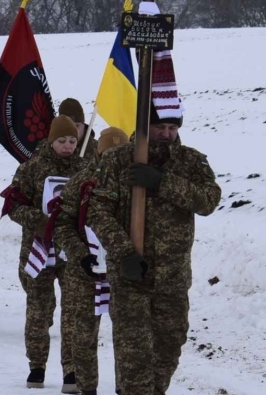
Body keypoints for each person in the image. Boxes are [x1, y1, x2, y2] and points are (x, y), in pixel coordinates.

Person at [88, 111, 220, 395]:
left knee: (168, 349)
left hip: (172, 280)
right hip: (130, 277)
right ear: (145, 126)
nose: (166, 133)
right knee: (134, 357)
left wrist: (162, 181)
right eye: (159, 126)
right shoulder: (117, 160)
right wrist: (124, 253)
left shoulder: (192, 162)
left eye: (172, 127)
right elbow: (98, 211)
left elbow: (208, 201)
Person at [2, 115, 91, 390]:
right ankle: (37, 366)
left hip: (73, 251)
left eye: (72, 141)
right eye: (62, 141)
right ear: (51, 141)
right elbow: (13, 207)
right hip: (39, 249)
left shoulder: (87, 169)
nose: (68, 146)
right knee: (39, 310)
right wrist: (42, 221)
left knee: (74, 311)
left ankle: (71, 371)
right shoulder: (31, 168)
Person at [54, 127, 130, 395]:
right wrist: (80, 255)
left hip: (126, 271)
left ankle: (126, 388)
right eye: (109, 152)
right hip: (84, 271)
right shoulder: (80, 182)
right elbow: (61, 224)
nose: (114, 158)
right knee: (83, 335)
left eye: (120, 153)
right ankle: (86, 388)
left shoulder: (137, 184)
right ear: (99, 152)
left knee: (128, 338)